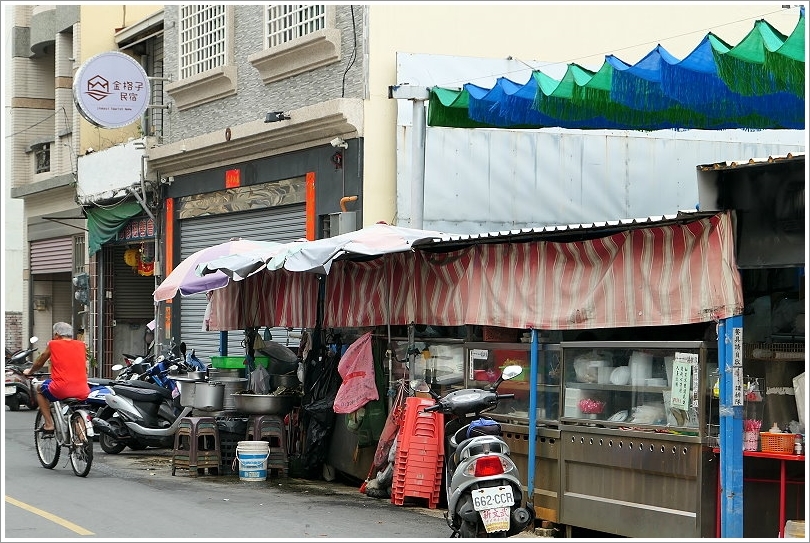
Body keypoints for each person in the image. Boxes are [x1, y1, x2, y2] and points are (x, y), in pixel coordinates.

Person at [23, 322, 90, 434]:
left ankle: (49, 424)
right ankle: (81, 442)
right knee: (78, 410)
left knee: (39, 389)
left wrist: (30, 371)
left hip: (61, 388)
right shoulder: (81, 345)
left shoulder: (54, 344)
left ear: (57, 334)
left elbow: (40, 361)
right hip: (83, 389)